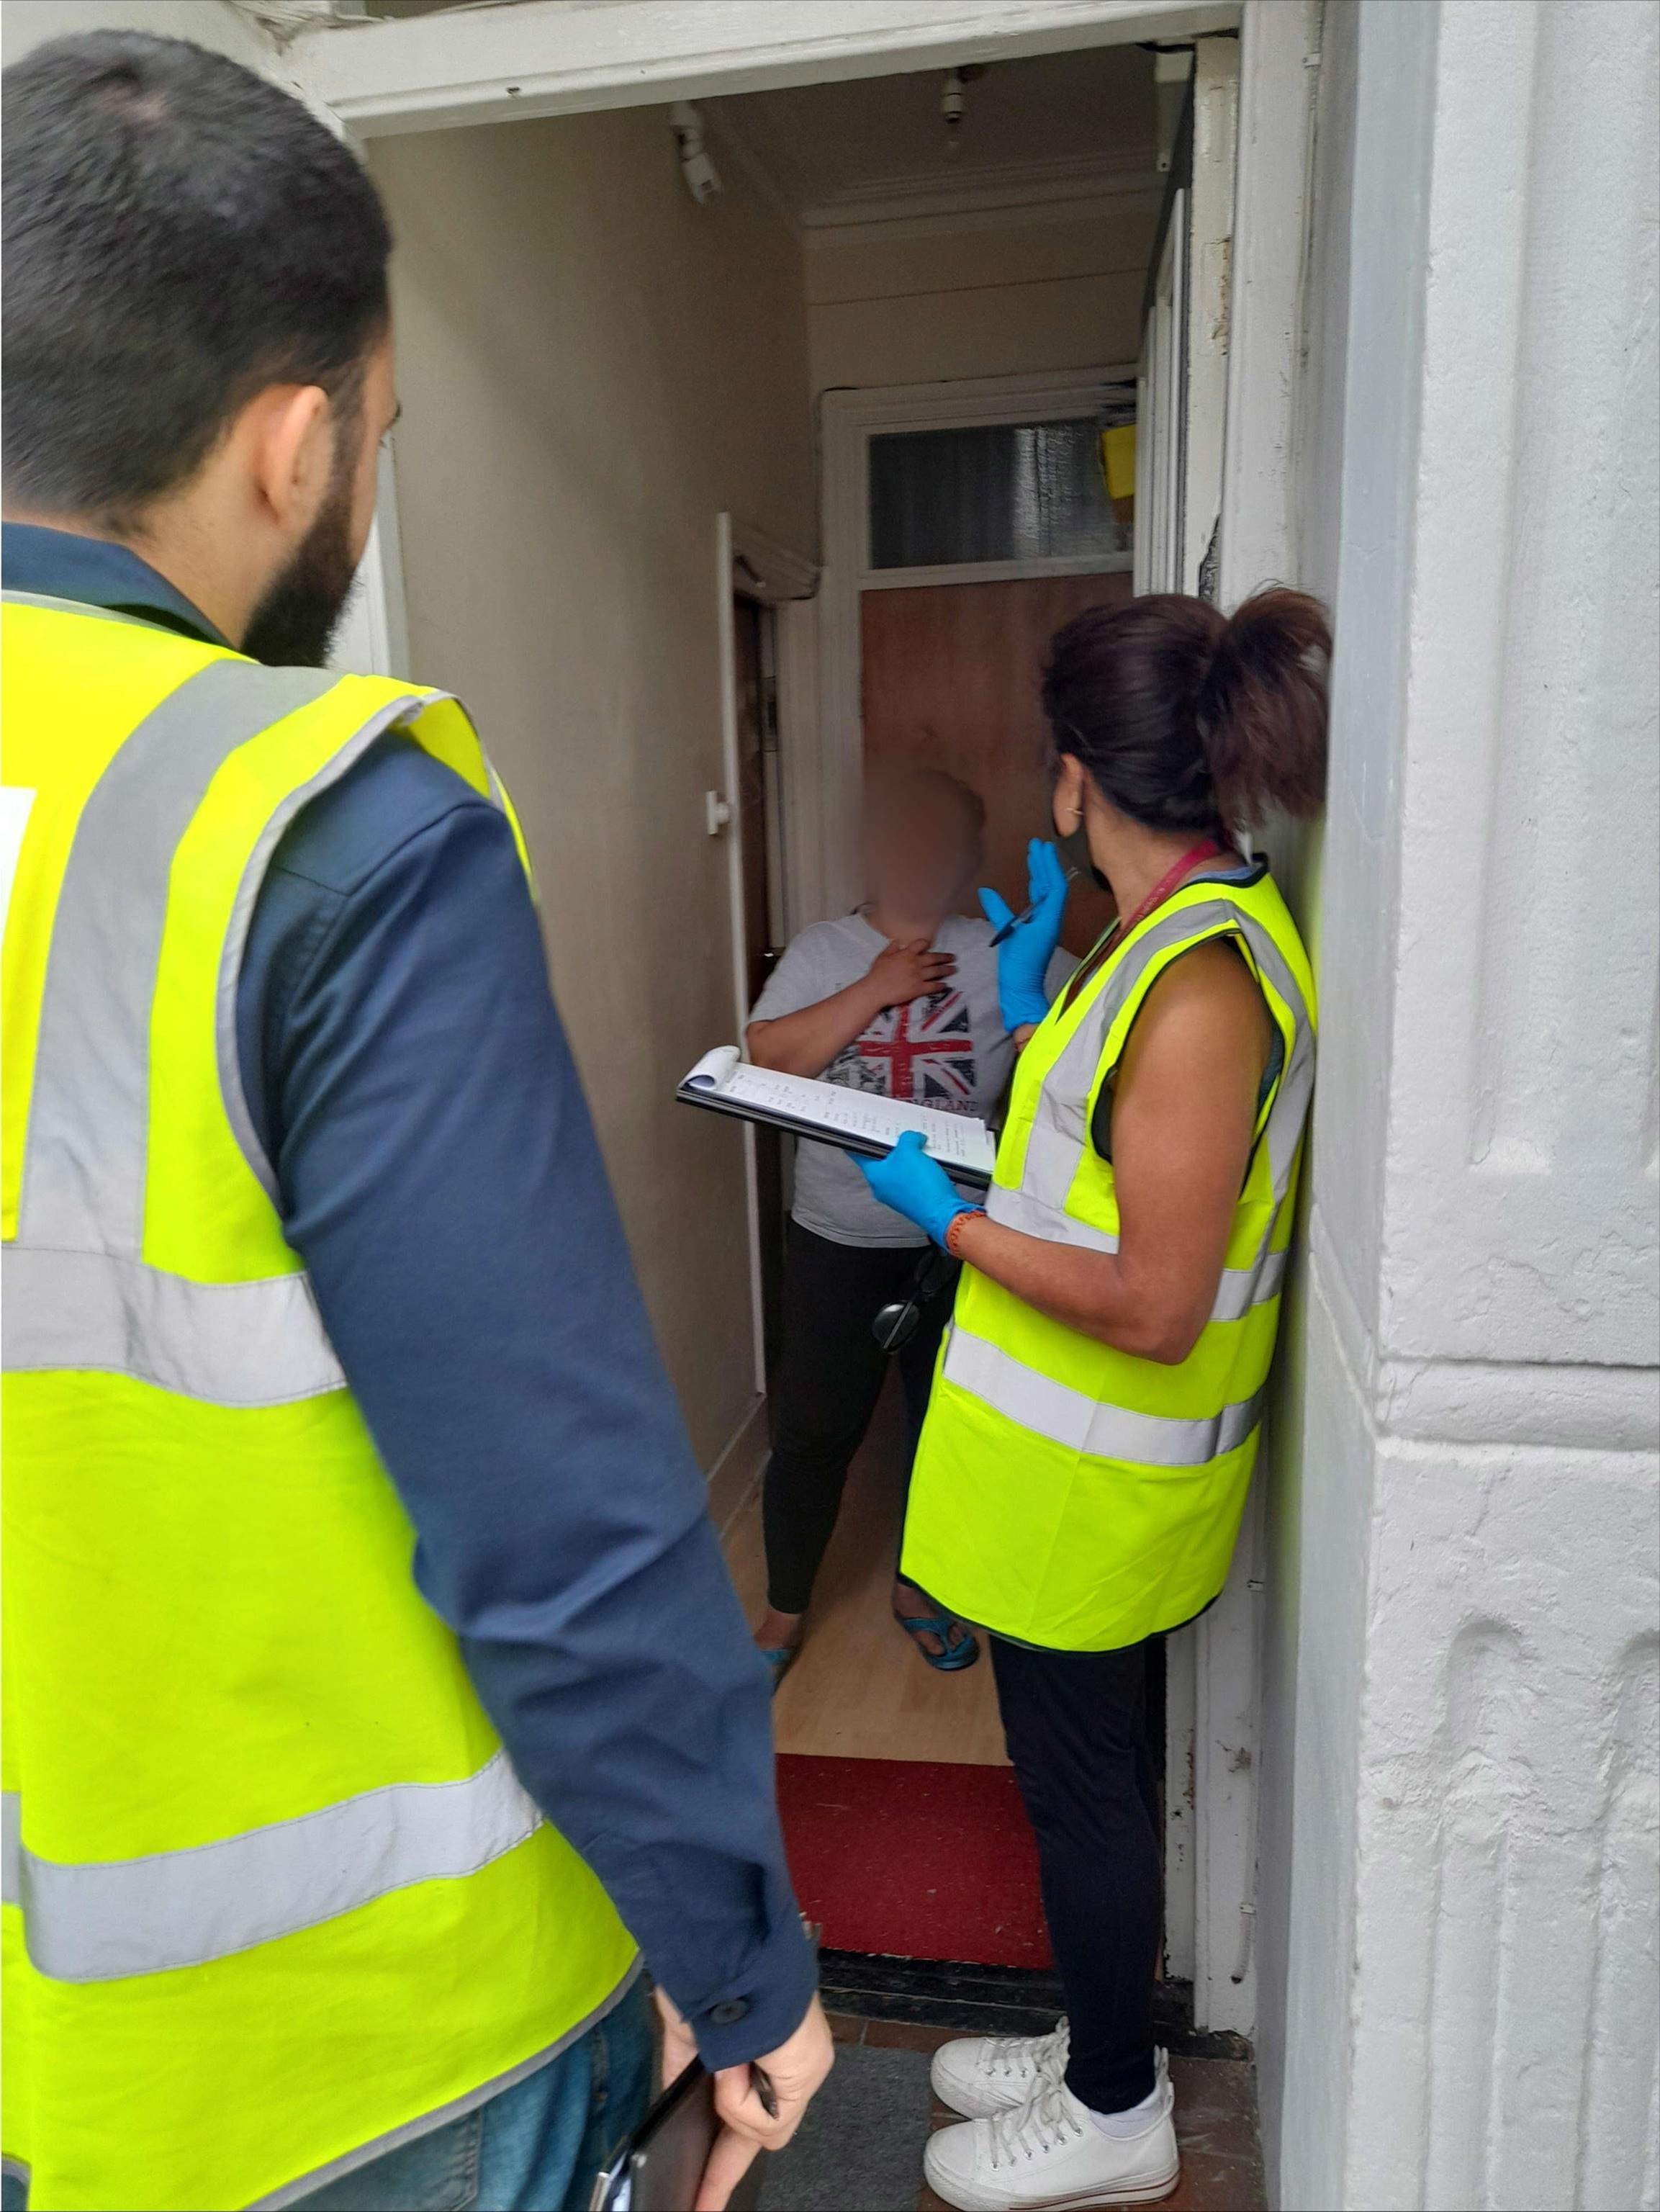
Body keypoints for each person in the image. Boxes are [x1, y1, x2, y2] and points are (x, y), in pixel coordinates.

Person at [0, 32, 830, 2212]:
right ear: (293, 445)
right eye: (378, 433)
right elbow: (558, 1523)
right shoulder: (308, 826)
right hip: (345, 2078)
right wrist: (736, 1958)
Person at [856, 590, 1328, 2210]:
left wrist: (953, 1221)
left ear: (1074, 778)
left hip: (1096, 1489)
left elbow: (1154, 1295)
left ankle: (1119, 2112)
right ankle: (1094, 2037)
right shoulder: (1155, 936)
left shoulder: (1200, 983)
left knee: (1083, 1801)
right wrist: (1063, 944)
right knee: (1085, 1789)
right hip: (1055, 1476)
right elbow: (1101, 1172)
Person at [745, 770, 1068, 1687]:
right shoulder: (823, 948)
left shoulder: (1008, 947)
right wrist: (875, 990)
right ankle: (783, 1606)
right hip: (835, 1237)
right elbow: (770, 1058)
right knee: (812, 1431)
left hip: (963, 1236)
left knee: (944, 1430)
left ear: (965, 859)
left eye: (942, 842)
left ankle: (917, 1591)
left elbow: (1084, 1065)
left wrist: (1030, 993)